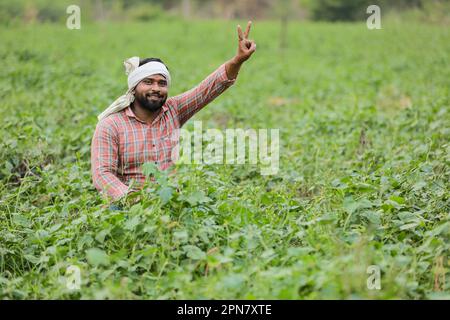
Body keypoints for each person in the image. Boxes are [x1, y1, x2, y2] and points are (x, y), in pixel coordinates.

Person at [91, 21, 256, 202]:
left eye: (162, 83)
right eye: (148, 82)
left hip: (170, 203)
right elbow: (102, 174)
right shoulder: (110, 125)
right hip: (127, 208)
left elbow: (207, 89)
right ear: (134, 87)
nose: (156, 88)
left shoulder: (173, 110)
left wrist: (237, 60)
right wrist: (134, 200)